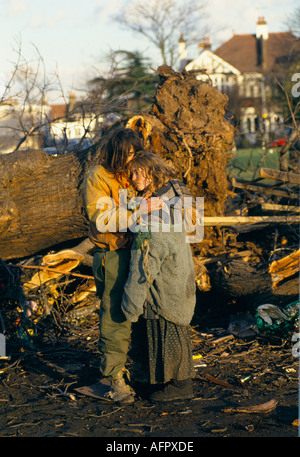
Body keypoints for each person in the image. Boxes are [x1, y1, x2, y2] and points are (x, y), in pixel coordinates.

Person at [121, 151, 197, 402]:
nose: (132, 178)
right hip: (173, 277)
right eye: (130, 173)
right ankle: (155, 381)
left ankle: (180, 385)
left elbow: (145, 262)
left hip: (167, 283)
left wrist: (130, 303)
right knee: (154, 330)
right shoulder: (163, 199)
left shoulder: (160, 209)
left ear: (151, 173)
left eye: (136, 172)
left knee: (168, 329)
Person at [83, 127, 144, 404]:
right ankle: (113, 378)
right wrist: (140, 211)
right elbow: (100, 216)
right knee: (115, 316)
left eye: (136, 154)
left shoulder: (134, 175)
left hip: (138, 253)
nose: (132, 159)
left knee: (142, 313)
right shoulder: (98, 176)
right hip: (112, 256)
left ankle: (142, 370)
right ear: (118, 152)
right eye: (129, 154)